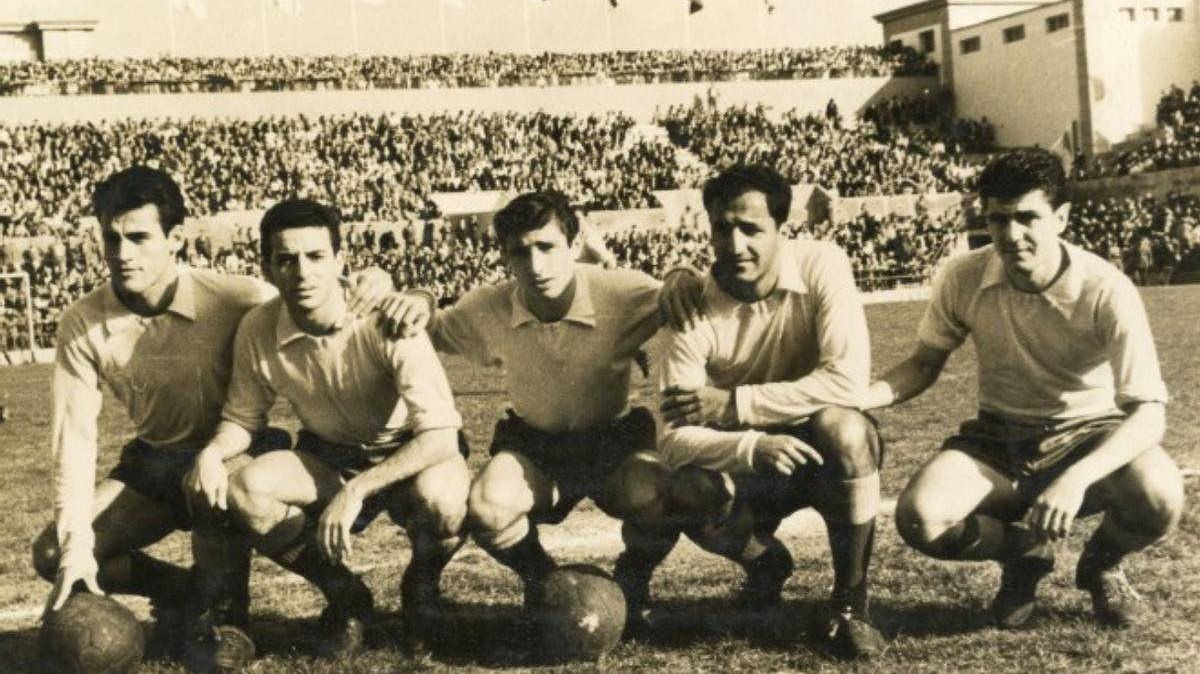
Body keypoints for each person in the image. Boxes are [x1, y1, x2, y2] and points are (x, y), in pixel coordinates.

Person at [30, 167, 395, 670]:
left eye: (138, 237)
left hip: (238, 450)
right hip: (156, 462)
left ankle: (230, 617)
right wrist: (76, 551)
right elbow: (73, 440)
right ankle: (186, 592)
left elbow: (322, 295)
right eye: (111, 239)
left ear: (175, 238)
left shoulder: (236, 296)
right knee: (53, 553)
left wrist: (393, 286)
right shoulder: (82, 321)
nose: (122, 254)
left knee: (217, 489)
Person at [865, 148, 1184, 629]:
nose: (1012, 236)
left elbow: (1149, 414)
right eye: (998, 219)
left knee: (1160, 494)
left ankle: (1103, 564)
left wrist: (1075, 479)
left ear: (1061, 217)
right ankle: (1023, 554)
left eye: (1027, 218)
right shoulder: (963, 274)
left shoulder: (1106, 288)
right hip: (999, 441)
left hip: (1087, 436)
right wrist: (857, 398)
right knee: (920, 518)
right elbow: (925, 362)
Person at [380, 191, 686, 638]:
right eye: (520, 252)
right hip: (535, 444)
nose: (536, 265)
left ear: (574, 243)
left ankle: (634, 577)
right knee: (486, 506)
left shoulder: (620, 292)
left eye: (547, 247)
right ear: (505, 256)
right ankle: (544, 580)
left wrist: (682, 272)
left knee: (663, 493)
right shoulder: (489, 306)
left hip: (612, 440)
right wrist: (421, 296)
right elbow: (434, 327)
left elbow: (682, 296)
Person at [198, 198, 470, 661]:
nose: (302, 272)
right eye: (286, 259)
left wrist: (357, 491)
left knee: (444, 504)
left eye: (315, 257)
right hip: (331, 454)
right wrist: (210, 453)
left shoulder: (388, 317)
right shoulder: (258, 328)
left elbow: (441, 435)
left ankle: (421, 589)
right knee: (246, 489)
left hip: (409, 450)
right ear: (267, 267)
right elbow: (244, 419)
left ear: (341, 261)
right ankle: (347, 597)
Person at [657, 164, 885, 659]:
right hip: (754, 467)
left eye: (752, 229)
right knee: (683, 488)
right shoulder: (690, 305)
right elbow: (672, 439)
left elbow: (848, 381)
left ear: (782, 229)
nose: (735, 244)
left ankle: (850, 602)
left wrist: (736, 404)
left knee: (843, 427)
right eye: (723, 228)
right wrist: (752, 445)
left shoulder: (823, 263)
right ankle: (764, 562)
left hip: (822, 451)